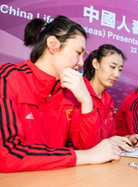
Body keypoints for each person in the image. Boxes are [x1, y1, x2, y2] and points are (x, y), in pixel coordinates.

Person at [0, 16, 121, 172]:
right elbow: (7, 153)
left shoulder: (70, 92)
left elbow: (89, 147)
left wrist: (86, 102)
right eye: (78, 53)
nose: (80, 63)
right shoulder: (8, 78)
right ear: (52, 44)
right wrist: (83, 156)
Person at [72, 44, 138, 150]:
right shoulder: (78, 93)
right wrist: (108, 141)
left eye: (120, 69)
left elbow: (111, 137)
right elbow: (80, 144)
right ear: (96, 64)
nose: (116, 74)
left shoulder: (108, 99)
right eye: (112, 67)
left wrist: (128, 138)